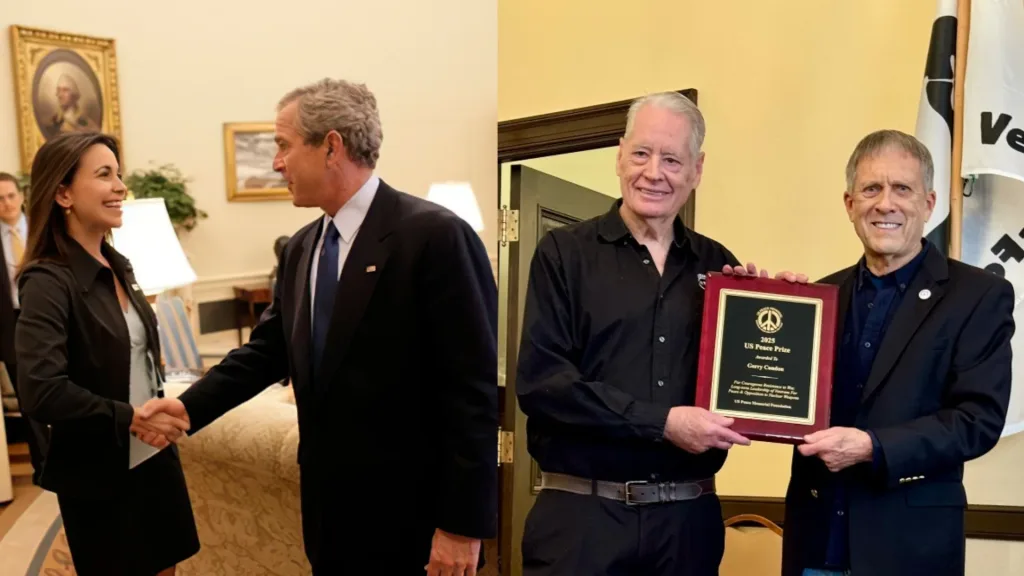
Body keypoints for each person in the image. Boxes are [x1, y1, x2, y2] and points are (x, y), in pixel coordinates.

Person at [137, 78, 498, 575]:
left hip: (414, 519)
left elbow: (471, 392)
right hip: (329, 515)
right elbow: (267, 352)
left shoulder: (435, 237)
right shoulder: (302, 247)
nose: (276, 162)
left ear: (331, 146)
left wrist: (461, 526)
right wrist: (185, 407)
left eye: (284, 145)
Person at [515, 91, 802, 576]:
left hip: (687, 526)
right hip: (583, 522)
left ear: (697, 169)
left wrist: (781, 310)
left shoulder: (719, 268)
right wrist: (662, 422)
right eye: (642, 154)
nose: (653, 173)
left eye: (672, 159)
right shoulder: (564, 253)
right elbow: (544, 386)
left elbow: (749, 382)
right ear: (619, 155)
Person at [781, 130, 1014, 576]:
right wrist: (762, 304)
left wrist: (873, 447)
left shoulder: (978, 295)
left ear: (928, 204)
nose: (885, 203)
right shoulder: (816, 298)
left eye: (901, 189)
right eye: (871, 188)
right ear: (850, 204)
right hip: (815, 544)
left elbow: (977, 420)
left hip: (909, 549)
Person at [14, 132, 199, 575]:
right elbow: (41, 391)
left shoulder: (120, 265)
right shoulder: (47, 281)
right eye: (104, 175)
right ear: (62, 194)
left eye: (119, 175)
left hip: (154, 461)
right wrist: (128, 416)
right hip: (99, 473)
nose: (120, 187)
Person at [0, 172, 49, 485]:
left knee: (57, 388)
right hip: (9, 326)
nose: (6, 204)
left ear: (21, 196)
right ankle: (43, 466)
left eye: (10, 196)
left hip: (46, 320)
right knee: (28, 398)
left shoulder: (43, 230)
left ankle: (72, 458)